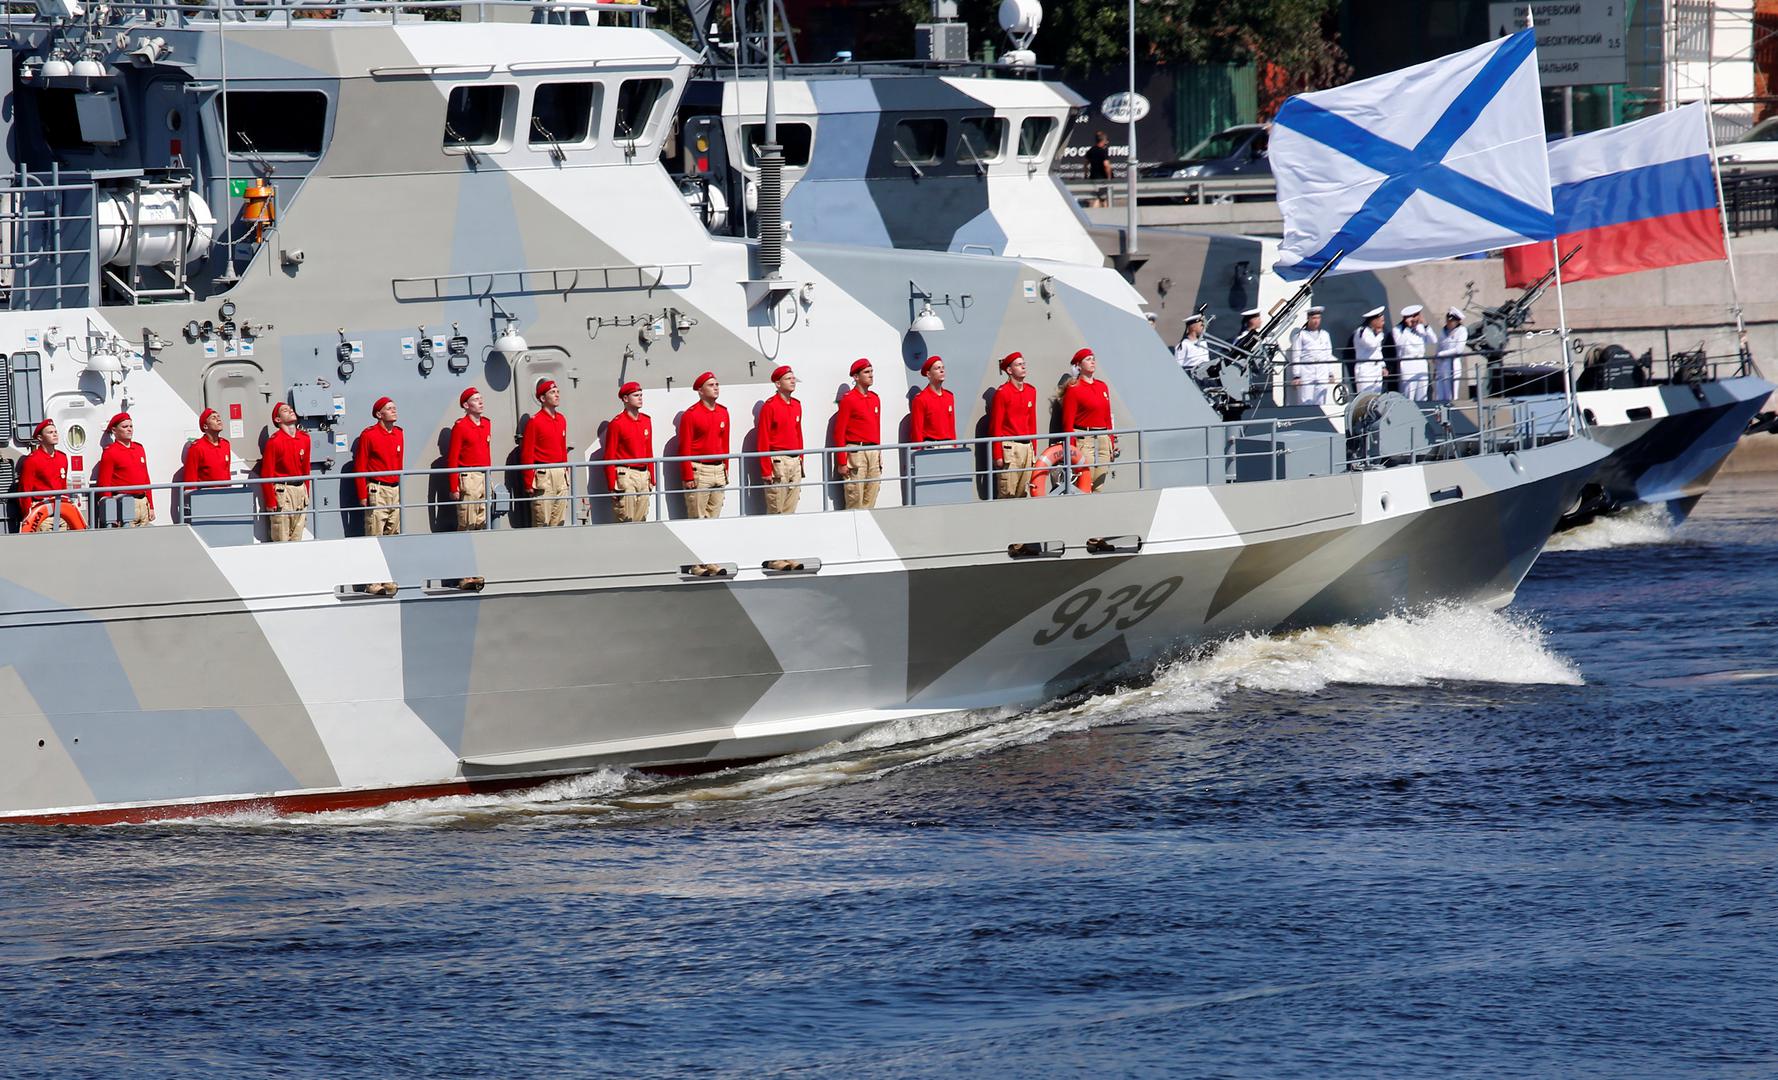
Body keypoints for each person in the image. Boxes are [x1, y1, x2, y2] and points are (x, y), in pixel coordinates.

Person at [354, 396, 404, 595]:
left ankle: (387, 578)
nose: (394, 410)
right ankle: (372, 581)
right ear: (379, 414)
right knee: (374, 535)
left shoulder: (399, 434)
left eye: (394, 407)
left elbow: (399, 463)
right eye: (389, 408)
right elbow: (360, 466)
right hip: (377, 489)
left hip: (394, 489)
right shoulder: (369, 435)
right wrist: (362, 494)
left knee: (392, 535)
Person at [1060, 347, 1116, 490]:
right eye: (1088, 359)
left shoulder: (1102, 386)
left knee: (1099, 484)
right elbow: (1068, 423)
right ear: (1079, 365)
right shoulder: (1074, 389)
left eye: (1093, 359)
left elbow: (1107, 417)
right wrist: (1071, 448)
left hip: (1103, 439)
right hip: (1085, 439)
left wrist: (1111, 442)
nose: (1092, 362)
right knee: (1085, 483)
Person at [678, 371, 730, 519]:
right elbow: (684, 448)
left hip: (719, 470)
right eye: (711, 385)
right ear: (700, 391)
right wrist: (688, 476)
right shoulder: (691, 414)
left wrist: (726, 468)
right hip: (700, 471)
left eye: (717, 384)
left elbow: (725, 444)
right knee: (697, 517)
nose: (716, 388)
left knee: (715, 516)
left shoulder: (723, 412)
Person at [520, 378, 570, 527]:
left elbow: (562, 448)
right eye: (552, 392)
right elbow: (527, 453)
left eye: (557, 391)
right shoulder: (535, 422)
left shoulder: (561, 419)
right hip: (544, 474)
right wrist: (528, 482)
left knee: (559, 519)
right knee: (542, 519)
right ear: (543, 398)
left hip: (560, 473)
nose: (557, 395)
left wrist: (566, 471)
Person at [834, 358, 882, 509]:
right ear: (856, 377)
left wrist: (879, 452)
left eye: (871, 371)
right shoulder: (849, 399)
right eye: (866, 372)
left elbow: (876, 427)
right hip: (856, 452)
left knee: (872, 493)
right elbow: (839, 431)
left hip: (873, 451)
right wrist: (842, 462)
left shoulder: (875, 398)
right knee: (855, 496)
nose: (871, 375)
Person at [989, 351, 1038, 499]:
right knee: (1007, 493)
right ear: (1009, 370)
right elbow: (996, 426)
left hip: (1027, 447)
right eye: (1018, 364)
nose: (1023, 367)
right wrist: (997, 455)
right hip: (1010, 449)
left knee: (1023, 492)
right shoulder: (1003, 393)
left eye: (1023, 364)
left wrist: (1034, 449)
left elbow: (1032, 422)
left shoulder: (1031, 391)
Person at [756, 364, 804, 516]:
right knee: (776, 508)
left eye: (793, 378)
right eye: (788, 378)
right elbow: (763, 438)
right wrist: (766, 470)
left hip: (794, 461)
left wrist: (801, 459)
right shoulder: (770, 406)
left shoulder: (796, 405)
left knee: (791, 508)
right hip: (778, 462)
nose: (793, 381)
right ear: (778, 383)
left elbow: (798, 433)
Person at [259, 403, 311, 542]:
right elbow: (267, 474)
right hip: (283, 492)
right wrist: (270, 501)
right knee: (281, 535)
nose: (290, 410)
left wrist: (306, 493)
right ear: (278, 419)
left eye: (290, 409)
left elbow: (306, 469)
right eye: (285, 410)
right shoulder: (275, 442)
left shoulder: (305, 438)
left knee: (297, 536)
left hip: (300, 491)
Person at [604, 381, 655, 523]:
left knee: (642, 517)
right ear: (625, 399)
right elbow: (609, 456)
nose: (640, 398)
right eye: (636, 395)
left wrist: (652, 477)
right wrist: (611, 485)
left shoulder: (646, 420)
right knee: (626, 517)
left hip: (643, 474)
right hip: (626, 474)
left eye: (641, 395)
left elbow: (649, 450)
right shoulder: (617, 423)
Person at [95, 412, 153, 526]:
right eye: (125, 427)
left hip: (143, 502)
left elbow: (146, 479)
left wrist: (151, 506)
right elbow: (104, 484)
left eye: (131, 426)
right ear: (114, 430)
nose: (129, 429)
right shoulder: (110, 452)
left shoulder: (139, 448)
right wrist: (110, 513)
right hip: (124, 504)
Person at [15, 419, 71, 528]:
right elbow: (25, 490)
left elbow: (63, 485)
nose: (55, 434)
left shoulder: (62, 457)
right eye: (50, 432)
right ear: (40, 438)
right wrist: (27, 515)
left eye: (55, 432)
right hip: (41, 512)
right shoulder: (32, 460)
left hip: (61, 510)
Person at [1289, 307, 1336, 406]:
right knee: (1305, 400)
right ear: (1308, 318)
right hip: (1306, 371)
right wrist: (1296, 375)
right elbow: (1296, 356)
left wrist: (1330, 373)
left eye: (1318, 318)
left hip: (1322, 371)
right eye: (1314, 318)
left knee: (1321, 400)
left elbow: (1328, 355)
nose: (1316, 321)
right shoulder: (1301, 335)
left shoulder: (1325, 335)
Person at [1391, 303, 1438, 400]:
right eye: (1414, 316)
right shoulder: (1398, 329)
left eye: (1418, 316)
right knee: (1409, 392)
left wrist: (1426, 326)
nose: (1417, 320)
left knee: (1422, 392)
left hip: (1421, 362)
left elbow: (1433, 340)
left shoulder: (1421, 327)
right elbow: (1400, 344)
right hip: (1408, 363)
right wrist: (1408, 328)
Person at [909, 355, 956, 443]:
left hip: (948, 445)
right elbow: (917, 430)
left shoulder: (949, 397)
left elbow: (951, 426)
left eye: (943, 368)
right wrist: (918, 449)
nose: (942, 370)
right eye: (938, 368)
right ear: (929, 374)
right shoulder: (921, 399)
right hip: (930, 446)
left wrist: (954, 446)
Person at [184, 407, 233, 484]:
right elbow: (190, 478)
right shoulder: (197, 448)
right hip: (206, 491)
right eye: (213, 418)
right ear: (205, 426)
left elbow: (227, 472)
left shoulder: (225, 444)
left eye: (218, 416)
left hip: (226, 490)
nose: (218, 419)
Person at [1350, 306, 1387, 396]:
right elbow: (1372, 345)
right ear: (1374, 321)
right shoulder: (1362, 331)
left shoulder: (1375, 333)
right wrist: (1380, 334)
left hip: (1377, 369)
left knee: (1377, 397)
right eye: (1381, 321)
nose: (1383, 323)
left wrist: (1383, 366)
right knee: (1365, 397)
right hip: (1365, 369)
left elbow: (1378, 351)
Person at [1435, 307, 1468, 401]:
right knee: (1440, 392)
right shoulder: (1443, 331)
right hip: (1442, 364)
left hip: (1453, 363)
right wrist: (1437, 360)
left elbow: (1459, 349)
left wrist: (1442, 354)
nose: (1449, 323)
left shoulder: (1462, 331)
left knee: (1452, 394)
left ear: (1457, 321)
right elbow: (1439, 346)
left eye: (1451, 321)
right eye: (1448, 320)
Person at [1085, 131, 1112, 207]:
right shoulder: (1103, 151)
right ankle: (1102, 211)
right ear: (1103, 141)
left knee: (1099, 198)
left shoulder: (1091, 150)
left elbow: (1086, 164)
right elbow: (1106, 165)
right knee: (1101, 197)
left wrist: (1086, 174)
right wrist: (1109, 177)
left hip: (1093, 177)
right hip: (1102, 178)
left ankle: (1105, 211)